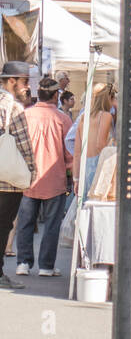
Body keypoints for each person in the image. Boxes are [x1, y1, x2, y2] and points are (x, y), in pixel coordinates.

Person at [13, 77, 72, 278]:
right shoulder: (63, 119)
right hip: (54, 178)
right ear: (56, 95)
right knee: (51, 224)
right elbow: (70, 152)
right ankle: (46, 265)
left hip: (27, 177)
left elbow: (16, 146)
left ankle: (23, 262)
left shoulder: (26, 115)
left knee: (25, 222)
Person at [0, 62, 36, 290]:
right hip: (8, 180)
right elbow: (24, 144)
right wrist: (32, 172)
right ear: (11, 81)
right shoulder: (13, 107)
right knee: (3, 226)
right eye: (24, 81)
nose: (27, 86)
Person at [72, 83, 115, 203]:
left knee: (85, 208)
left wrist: (76, 179)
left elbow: (77, 152)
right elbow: (100, 145)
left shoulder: (83, 117)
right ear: (108, 98)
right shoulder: (106, 116)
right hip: (99, 166)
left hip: (84, 166)